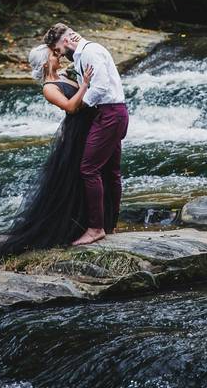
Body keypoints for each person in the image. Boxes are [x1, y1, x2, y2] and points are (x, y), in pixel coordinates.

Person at [0, 44, 113, 259]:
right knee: (75, 180)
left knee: (92, 176)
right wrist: (84, 85)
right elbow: (71, 107)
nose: (58, 56)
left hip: (91, 128)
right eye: (53, 54)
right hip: (76, 135)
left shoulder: (66, 75)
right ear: (45, 63)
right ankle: (77, 228)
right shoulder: (49, 88)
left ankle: (96, 224)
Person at [44, 23, 128, 246]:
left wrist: (80, 106)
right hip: (112, 113)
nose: (60, 55)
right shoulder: (82, 56)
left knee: (89, 169)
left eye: (58, 50)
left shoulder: (90, 52)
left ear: (65, 42)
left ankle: (96, 228)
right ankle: (110, 223)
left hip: (109, 114)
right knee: (111, 171)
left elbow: (99, 88)